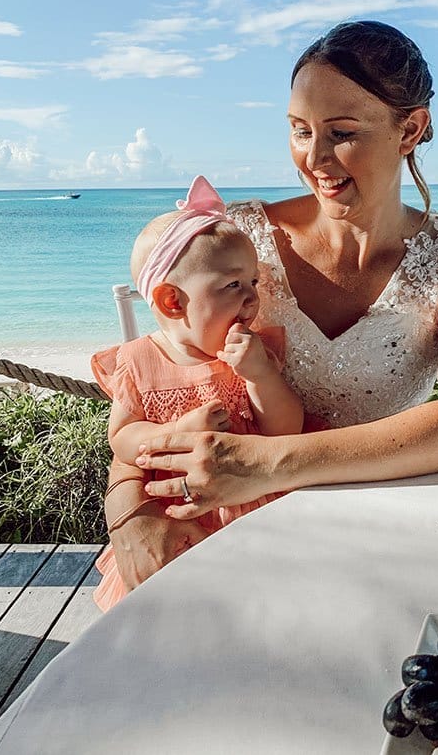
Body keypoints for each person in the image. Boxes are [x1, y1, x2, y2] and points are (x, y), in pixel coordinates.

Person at [104, 20, 438, 591]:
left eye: (341, 132)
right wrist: (129, 508)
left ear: (410, 129)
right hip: (233, 544)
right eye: (299, 130)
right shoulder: (234, 240)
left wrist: (269, 464)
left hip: (376, 541)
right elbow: (157, 379)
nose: (314, 157)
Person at [91, 175, 303, 609]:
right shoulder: (136, 361)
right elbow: (124, 438)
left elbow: (286, 429)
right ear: (172, 301)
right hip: (178, 521)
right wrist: (177, 432)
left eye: (253, 284)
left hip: (254, 512)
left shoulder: (254, 354)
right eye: (232, 285)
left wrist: (262, 377)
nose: (251, 298)